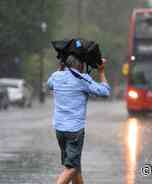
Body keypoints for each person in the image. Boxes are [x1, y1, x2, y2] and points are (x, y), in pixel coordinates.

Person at [47, 55, 111, 184]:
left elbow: (49, 85)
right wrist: (101, 72)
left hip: (59, 130)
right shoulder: (82, 79)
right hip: (74, 131)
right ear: (81, 65)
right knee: (71, 168)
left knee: (75, 166)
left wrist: (60, 68)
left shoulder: (56, 76)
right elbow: (105, 92)